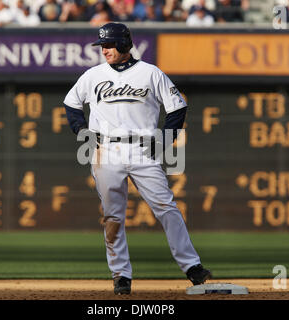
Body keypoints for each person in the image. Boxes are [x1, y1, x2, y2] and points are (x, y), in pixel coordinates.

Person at [63, 22, 211, 295]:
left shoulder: (150, 73)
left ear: (123, 44)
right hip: (105, 150)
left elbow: (177, 107)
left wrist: (167, 139)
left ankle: (192, 266)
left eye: (108, 45)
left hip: (143, 149)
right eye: (102, 45)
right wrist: (81, 130)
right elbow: (72, 103)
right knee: (113, 216)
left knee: (166, 207)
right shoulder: (93, 75)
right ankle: (121, 275)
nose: (104, 50)